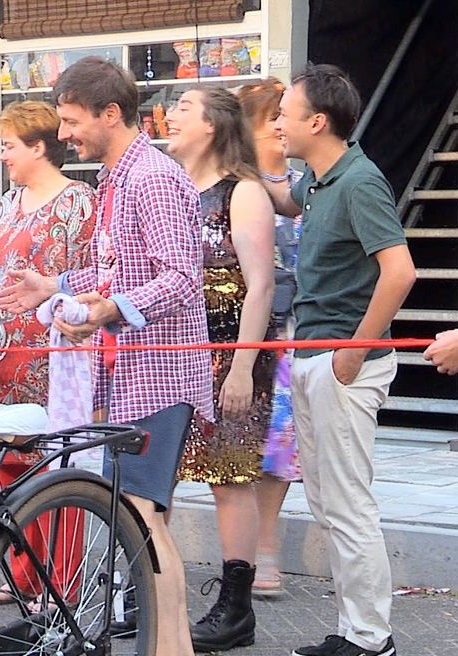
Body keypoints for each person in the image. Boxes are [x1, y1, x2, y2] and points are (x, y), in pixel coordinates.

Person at [0, 56, 212, 656]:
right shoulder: (120, 176)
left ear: (110, 114)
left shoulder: (151, 177)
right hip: (128, 375)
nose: (64, 135)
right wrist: (57, 286)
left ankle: (171, 649)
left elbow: (180, 279)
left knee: (141, 518)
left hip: (159, 377)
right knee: (144, 521)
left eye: (70, 121)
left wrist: (105, 309)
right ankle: (173, 647)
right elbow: (123, 269)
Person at [264, 64, 416, 656]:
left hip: (340, 362)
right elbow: (285, 198)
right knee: (329, 504)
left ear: (317, 121)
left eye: (285, 113)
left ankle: (372, 640)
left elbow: (400, 271)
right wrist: (244, 165)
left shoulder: (359, 182)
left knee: (348, 506)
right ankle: (356, 631)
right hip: (314, 356)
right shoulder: (319, 178)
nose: (278, 122)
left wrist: (353, 353)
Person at [166, 86, 276, 652]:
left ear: (212, 125)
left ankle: (236, 607)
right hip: (175, 353)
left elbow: (261, 284)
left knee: (229, 479)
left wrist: (241, 366)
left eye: (184, 107)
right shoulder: (173, 187)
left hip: (232, 352)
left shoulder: (244, 192)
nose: (171, 115)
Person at [0, 100, 96, 406]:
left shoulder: (77, 201)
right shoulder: (9, 201)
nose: (3, 156)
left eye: (9, 146)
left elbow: (89, 277)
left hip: (46, 366)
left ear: (38, 148)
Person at [236, 77, 304, 598]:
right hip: (250, 330)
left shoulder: (305, 182)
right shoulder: (240, 188)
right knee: (248, 440)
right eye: (272, 119)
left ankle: (268, 547)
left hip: (298, 330)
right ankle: (248, 553)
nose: (282, 128)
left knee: (282, 444)